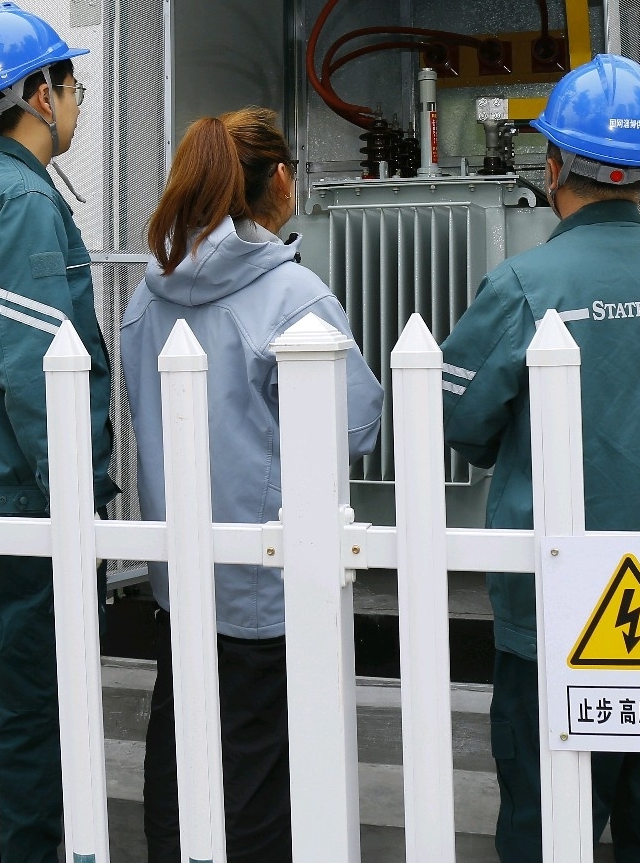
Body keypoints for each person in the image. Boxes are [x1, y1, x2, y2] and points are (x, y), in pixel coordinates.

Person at [439, 54, 640, 863]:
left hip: (554, 606)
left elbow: (460, 424)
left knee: (549, 825)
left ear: (554, 166)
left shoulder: (525, 285)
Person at [121, 108, 383, 863]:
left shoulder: (147, 295)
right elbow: (356, 428)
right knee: (261, 784)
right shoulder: (293, 295)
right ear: (280, 180)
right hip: (266, 590)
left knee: (179, 762)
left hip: (180, 583)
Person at [0, 1, 118, 863]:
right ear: (41, 93)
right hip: (26, 513)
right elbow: (39, 372)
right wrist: (77, 503)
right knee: (31, 723)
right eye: (71, 86)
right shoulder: (25, 202)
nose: (76, 102)